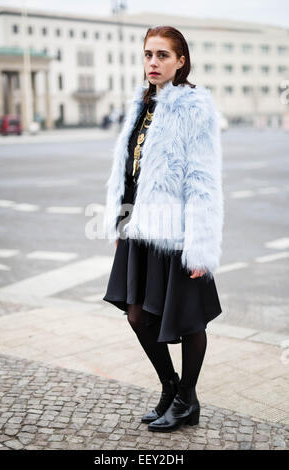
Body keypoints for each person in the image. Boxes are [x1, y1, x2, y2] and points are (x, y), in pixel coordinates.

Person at [103, 25, 224, 433]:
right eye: (148, 55)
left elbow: (202, 179)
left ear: (180, 60)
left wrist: (200, 245)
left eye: (162, 55)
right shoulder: (141, 104)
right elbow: (128, 172)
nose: (153, 62)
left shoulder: (193, 106)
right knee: (138, 316)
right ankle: (170, 387)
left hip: (177, 232)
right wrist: (121, 220)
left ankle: (188, 399)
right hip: (139, 228)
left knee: (189, 319)